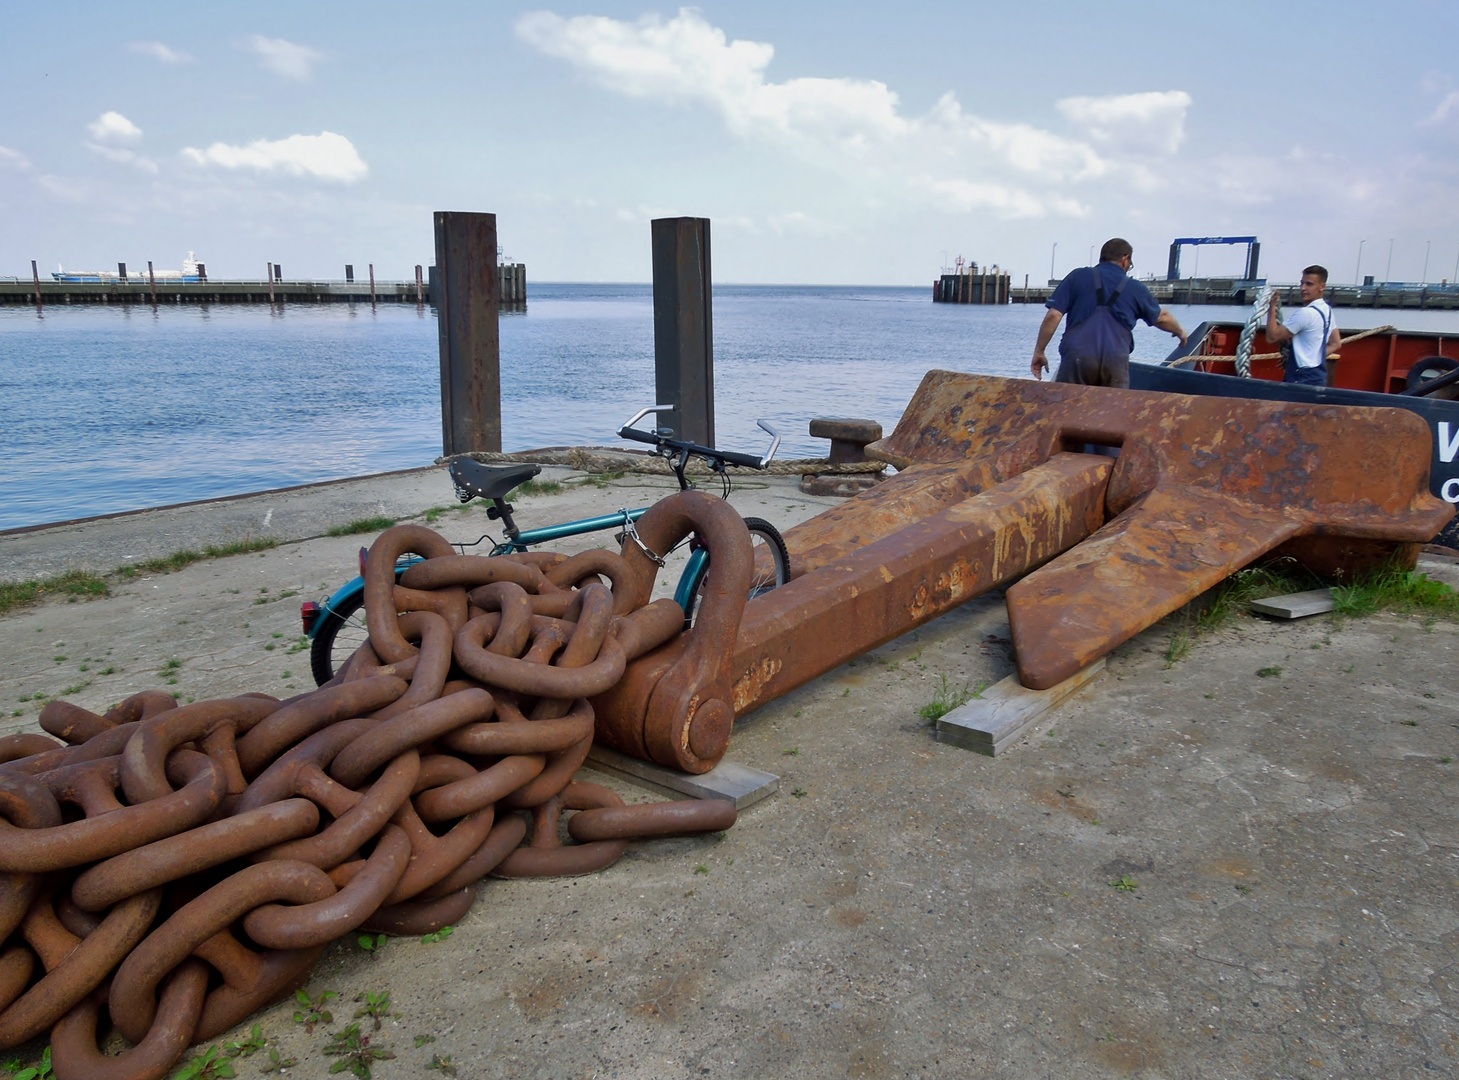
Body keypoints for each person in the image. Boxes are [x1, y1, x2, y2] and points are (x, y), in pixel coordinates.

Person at [1030, 238, 1188, 388]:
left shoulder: (1077, 277)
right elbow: (1162, 317)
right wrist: (1180, 332)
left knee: (1067, 408)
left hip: (1078, 359)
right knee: (1113, 413)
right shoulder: (1135, 287)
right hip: (1115, 362)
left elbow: (1053, 315)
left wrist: (1039, 351)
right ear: (1125, 260)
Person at [1265, 265, 1340, 385]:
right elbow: (1336, 343)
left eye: (1309, 284)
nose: (1303, 288)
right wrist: (1313, 357)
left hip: (1300, 378)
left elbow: (1272, 337)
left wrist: (1271, 307)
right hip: (1318, 376)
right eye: (1302, 283)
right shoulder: (1327, 310)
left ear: (1322, 287)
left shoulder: (1305, 313)